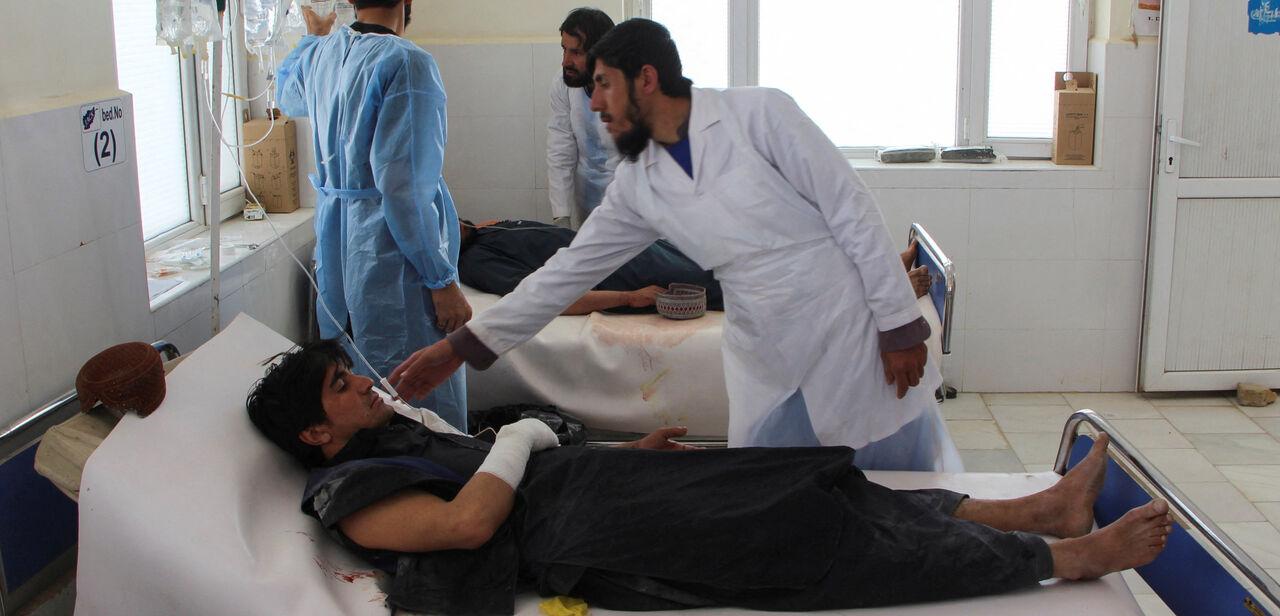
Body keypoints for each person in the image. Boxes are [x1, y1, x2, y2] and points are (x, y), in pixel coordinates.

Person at [391, 19, 958, 470]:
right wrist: (459, 348)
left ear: (645, 78)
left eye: (603, 85)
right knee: (780, 494)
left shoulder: (760, 114)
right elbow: (564, 273)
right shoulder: (639, 183)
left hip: (848, 331)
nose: (594, 104)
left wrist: (898, 324)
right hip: (767, 351)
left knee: (901, 482)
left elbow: (851, 208)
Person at [246, 341, 1172, 616]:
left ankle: (1032, 507)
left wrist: (606, 458)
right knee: (816, 544)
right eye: (345, 387)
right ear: (315, 432)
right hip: (591, 543)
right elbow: (467, 528)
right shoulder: (351, 496)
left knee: (814, 481)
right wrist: (526, 433)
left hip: (599, 492)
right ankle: (1060, 560)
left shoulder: (395, 437)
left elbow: (510, 474)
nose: (367, 385)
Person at [275, 0, 470, 430]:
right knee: (412, 390)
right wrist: (441, 279)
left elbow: (288, 96)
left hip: (337, 241)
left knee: (353, 383)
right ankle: (437, 486)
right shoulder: (407, 64)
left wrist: (315, 35)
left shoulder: (324, 53)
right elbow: (403, 188)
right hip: (389, 251)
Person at [458, 218, 723, 314]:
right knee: (721, 281)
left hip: (622, 249)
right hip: (618, 272)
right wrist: (628, 298)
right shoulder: (476, 260)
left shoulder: (480, 231)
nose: (453, 218)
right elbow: (542, 297)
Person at [547, 8, 619, 228]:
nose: (565, 62)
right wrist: (561, 215)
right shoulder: (563, 84)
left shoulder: (627, 88)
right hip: (586, 198)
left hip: (629, 202)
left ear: (601, 54)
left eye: (576, 53)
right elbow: (560, 151)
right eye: (564, 50)